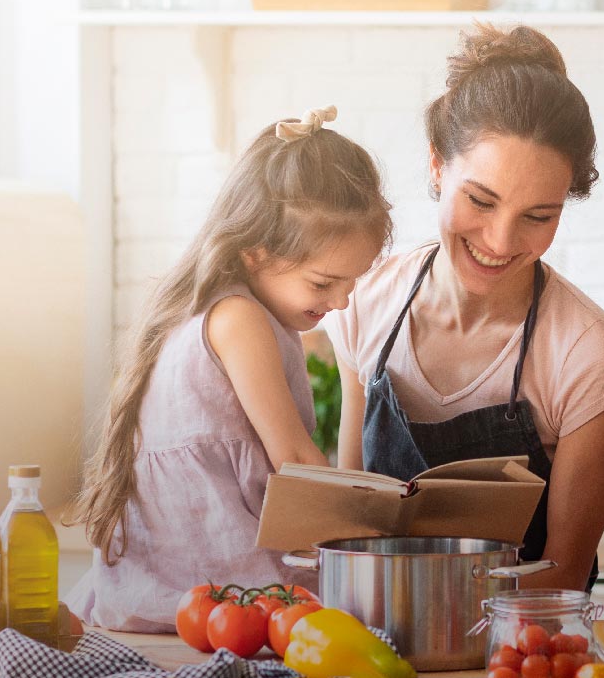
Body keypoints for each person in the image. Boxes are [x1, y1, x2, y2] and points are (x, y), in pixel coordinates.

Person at [328, 24, 604, 592]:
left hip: (520, 650)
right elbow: (353, 527)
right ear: (438, 166)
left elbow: (564, 576)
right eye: (481, 200)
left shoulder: (586, 352)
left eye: (538, 216)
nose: (499, 240)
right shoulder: (364, 302)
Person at [65, 107, 393, 631]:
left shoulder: (223, 306)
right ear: (256, 254)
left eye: (351, 284)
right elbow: (293, 458)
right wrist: (364, 539)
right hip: (216, 585)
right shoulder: (239, 318)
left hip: (172, 585)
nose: (341, 302)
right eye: (323, 283)